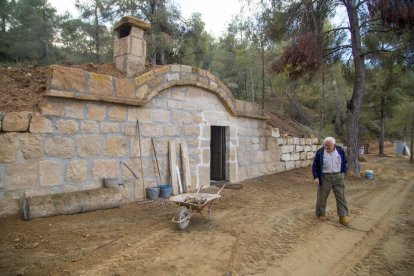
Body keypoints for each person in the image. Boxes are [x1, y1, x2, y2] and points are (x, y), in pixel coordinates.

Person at [312, 136, 349, 226]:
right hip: (325, 177)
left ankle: (342, 216)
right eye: (325, 145)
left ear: (334, 145)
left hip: (338, 176)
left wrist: (343, 173)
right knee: (322, 197)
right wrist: (316, 177)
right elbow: (315, 165)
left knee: (341, 196)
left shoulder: (340, 150)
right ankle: (321, 213)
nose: (327, 147)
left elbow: (344, 162)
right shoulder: (320, 152)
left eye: (329, 146)